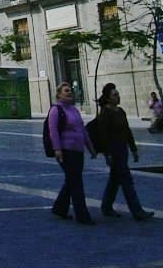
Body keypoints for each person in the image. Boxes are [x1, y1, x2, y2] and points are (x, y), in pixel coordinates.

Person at [96, 83, 154, 221]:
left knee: (115, 180)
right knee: (126, 180)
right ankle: (137, 211)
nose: (118, 97)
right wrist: (107, 154)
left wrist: (133, 148)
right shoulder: (105, 113)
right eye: (115, 95)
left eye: (118, 94)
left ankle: (106, 206)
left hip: (123, 149)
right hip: (114, 151)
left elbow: (127, 131)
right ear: (108, 98)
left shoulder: (120, 111)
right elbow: (103, 135)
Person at [48, 81, 96, 225]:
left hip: (78, 150)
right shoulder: (56, 110)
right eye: (66, 91)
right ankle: (82, 215)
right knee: (76, 182)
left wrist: (90, 147)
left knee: (72, 180)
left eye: (70, 90)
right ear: (58, 94)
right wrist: (57, 149)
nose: (69, 93)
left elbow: (82, 129)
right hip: (66, 151)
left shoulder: (74, 110)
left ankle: (59, 208)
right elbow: (53, 132)